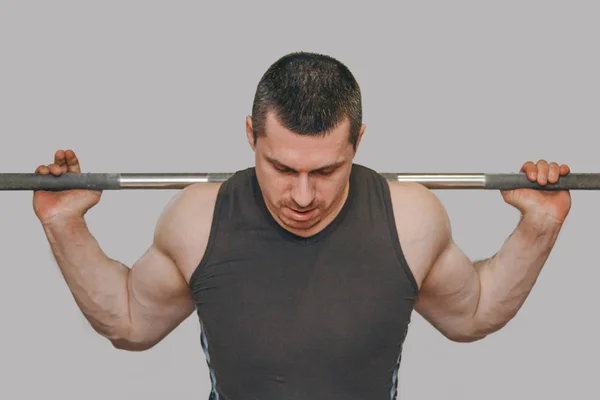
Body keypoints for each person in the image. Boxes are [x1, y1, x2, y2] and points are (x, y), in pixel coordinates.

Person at [32, 52, 572, 400]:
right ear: (251, 135)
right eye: (283, 168)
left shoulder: (409, 218)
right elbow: (130, 323)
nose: (304, 195)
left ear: (358, 141)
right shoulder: (199, 218)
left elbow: (471, 314)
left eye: (327, 170)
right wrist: (64, 225)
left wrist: (539, 227)